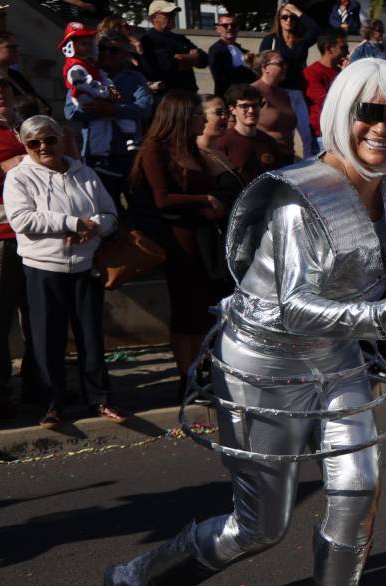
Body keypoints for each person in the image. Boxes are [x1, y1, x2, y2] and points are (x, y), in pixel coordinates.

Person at [102, 58, 386, 586]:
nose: (381, 128)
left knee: (358, 488)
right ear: (340, 115)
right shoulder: (301, 193)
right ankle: (133, 582)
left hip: (337, 356)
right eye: (367, 112)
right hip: (264, 361)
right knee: (260, 525)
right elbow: (288, 306)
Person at [4, 115, 121, 427]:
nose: (43, 147)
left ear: (60, 138)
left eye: (49, 139)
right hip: (43, 267)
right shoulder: (19, 178)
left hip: (84, 266)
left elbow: (111, 213)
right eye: (34, 143)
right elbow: (22, 219)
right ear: (25, 146)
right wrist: (71, 223)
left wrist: (95, 225)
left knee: (91, 337)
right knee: (47, 338)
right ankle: (52, 403)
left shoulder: (85, 173)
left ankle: (100, 399)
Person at [127, 91, 234, 394]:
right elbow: (162, 198)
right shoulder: (155, 150)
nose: (203, 120)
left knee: (204, 310)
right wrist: (205, 199)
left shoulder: (192, 149)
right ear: (181, 118)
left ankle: (201, 371)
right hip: (178, 239)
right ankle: (185, 377)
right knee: (185, 310)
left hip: (204, 238)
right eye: (198, 115)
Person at [65, 32, 153, 208]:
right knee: (105, 210)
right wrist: (97, 109)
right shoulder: (85, 74)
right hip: (96, 156)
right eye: (101, 49)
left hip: (129, 154)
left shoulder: (135, 78)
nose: (105, 54)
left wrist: (113, 109)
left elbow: (145, 109)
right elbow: (70, 112)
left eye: (112, 50)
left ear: (124, 54)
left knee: (141, 208)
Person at [0, 80, 40, 419]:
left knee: (38, 315)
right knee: (1, 318)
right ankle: (1, 392)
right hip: (2, 234)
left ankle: (38, 384)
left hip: (40, 234)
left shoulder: (25, 129)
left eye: (5, 90)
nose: (0, 94)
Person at [259, 3, 319, 156]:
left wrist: (296, 11)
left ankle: (308, 167)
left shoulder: (301, 41)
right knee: (287, 135)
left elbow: (316, 30)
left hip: (298, 92)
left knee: (306, 134)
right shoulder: (271, 40)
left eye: (291, 17)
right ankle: (288, 167)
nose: (288, 20)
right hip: (279, 92)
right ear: (278, 20)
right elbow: (261, 66)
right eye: (284, 17)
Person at [218, 84, 289, 183]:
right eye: (244, 106)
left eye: (255, 105)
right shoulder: (223, 143)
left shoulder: (269, 141)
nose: (251, 111)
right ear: (232, 109)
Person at [139, 1, 207, 100]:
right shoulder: (148, 39)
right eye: (167, 14)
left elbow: (204, 60)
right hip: (168, 98)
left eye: (173, 14)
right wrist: (192, 60)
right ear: (154, 17)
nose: (172, 17)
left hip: (190, 94)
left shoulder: (179, 38)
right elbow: (168, 66)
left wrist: (181, 57)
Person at [306, 28, 349, 153]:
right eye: (343, 47)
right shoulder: (312, 73)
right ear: (329, 48)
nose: (347, 51)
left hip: (340, 134)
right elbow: (327, 102)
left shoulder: (340, 71)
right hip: (323, 136)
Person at [251, 50, 299, 161]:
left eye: (285, 64)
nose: (285, 67)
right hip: (265, 158)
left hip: (287, 157)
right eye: (280, 64)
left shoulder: (283, 93)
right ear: (265, 67)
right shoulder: (253, 91)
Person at [208, 12, 257, 100]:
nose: (230, 28)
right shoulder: (216, 50)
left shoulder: (241, 50)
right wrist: (248, 69)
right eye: (225, 25)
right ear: (218, 29)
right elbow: (223, 76)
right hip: (229, 99)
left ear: (238, 28)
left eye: (233, 25)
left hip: (246, 97)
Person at [0, 33, 42, 103]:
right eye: (12, 47)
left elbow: (37, 100)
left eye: (16, 47)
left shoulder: (16, 76)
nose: (17, 51)